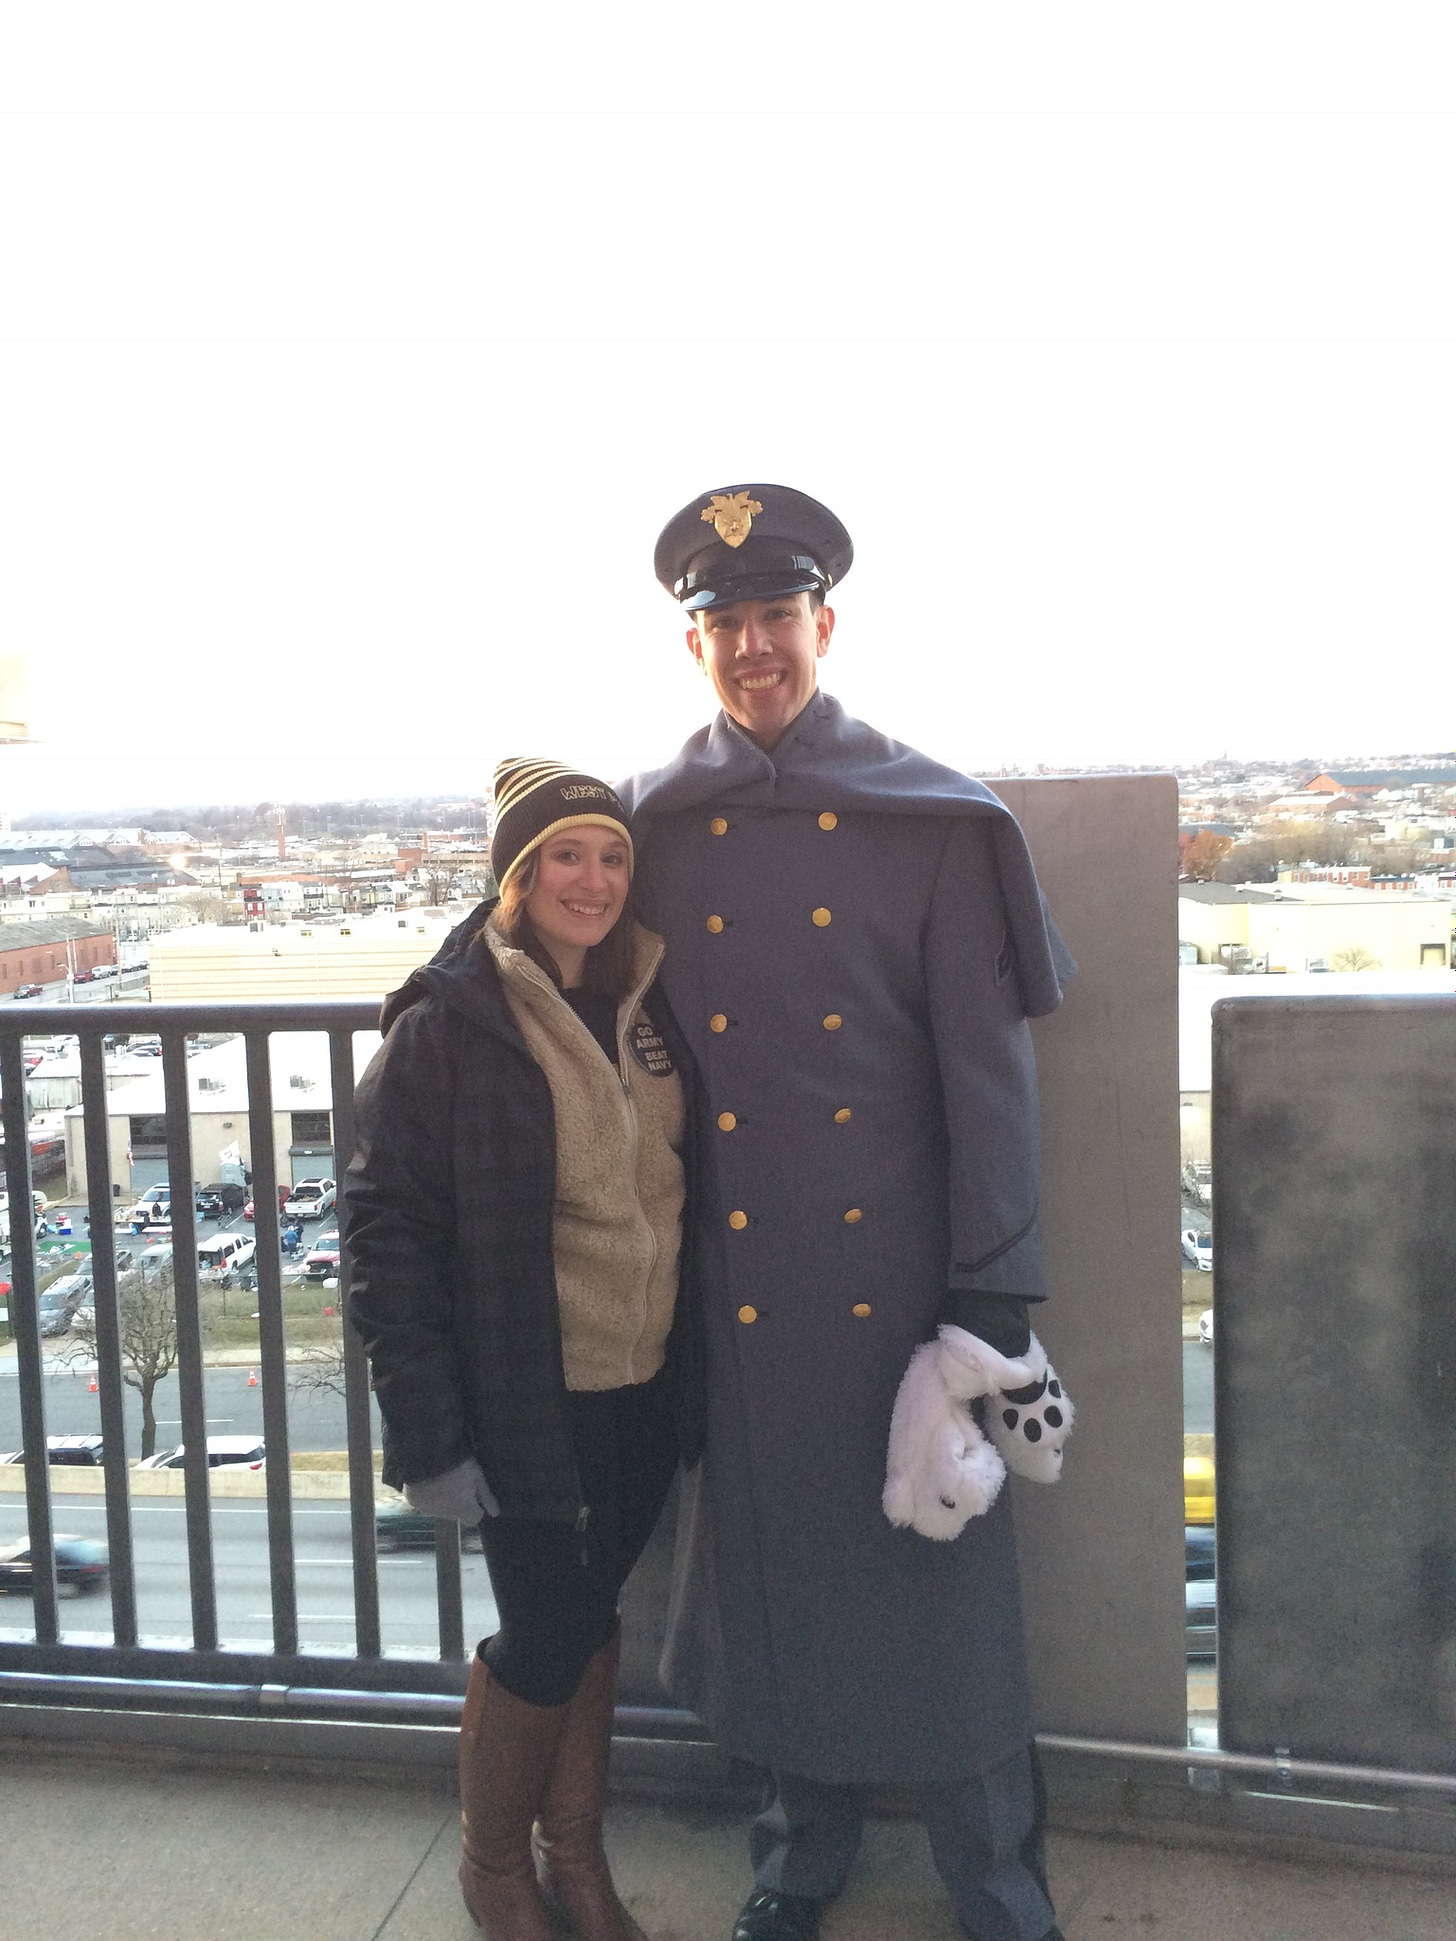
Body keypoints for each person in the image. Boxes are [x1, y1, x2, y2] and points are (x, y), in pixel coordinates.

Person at [618, 484, 1076, 1941]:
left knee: (943, 1589)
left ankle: (995, 1873)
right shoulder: (647, 825)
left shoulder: (931, 817)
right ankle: (796, 1848)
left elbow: (988, 1081)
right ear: (690, 645)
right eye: (722, 623)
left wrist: (992, 1298)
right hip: (732, 1286)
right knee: (778, 1584)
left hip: (900, 1287)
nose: (752, 645)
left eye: (775, 616)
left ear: (826, 623)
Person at [343, 758, 703, 1941]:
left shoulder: (645, 1001)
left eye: (611, 856)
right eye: (563, 856)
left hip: (643, 1384)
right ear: (514, 874)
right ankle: (496, 1869)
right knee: (546, 1629)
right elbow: (385, 1237)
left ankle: (579, 1861)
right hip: (526, 1394)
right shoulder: (450, 1025)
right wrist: (429, 1433)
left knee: (592, 1616)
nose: (592, 881)